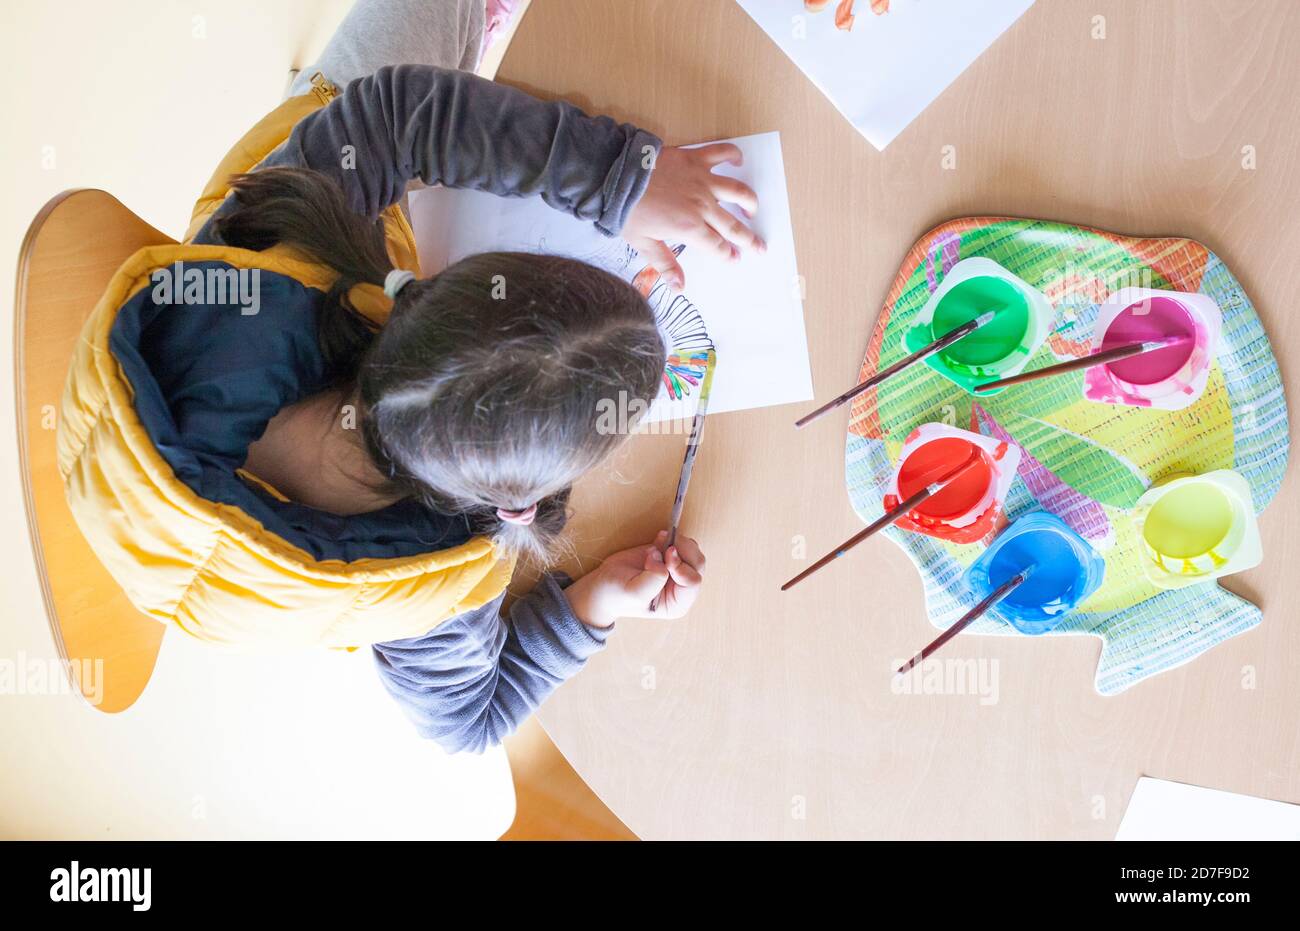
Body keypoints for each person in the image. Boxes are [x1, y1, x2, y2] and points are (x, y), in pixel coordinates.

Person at [59, 0, 762, 753]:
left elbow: (392, 115)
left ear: (423, 297)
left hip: (260, 238)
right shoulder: (426, 585)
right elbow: (471, 723)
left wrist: (622, 184)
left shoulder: (260, 257)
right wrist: (590, 606)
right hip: (151, 486)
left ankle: (471, 45)